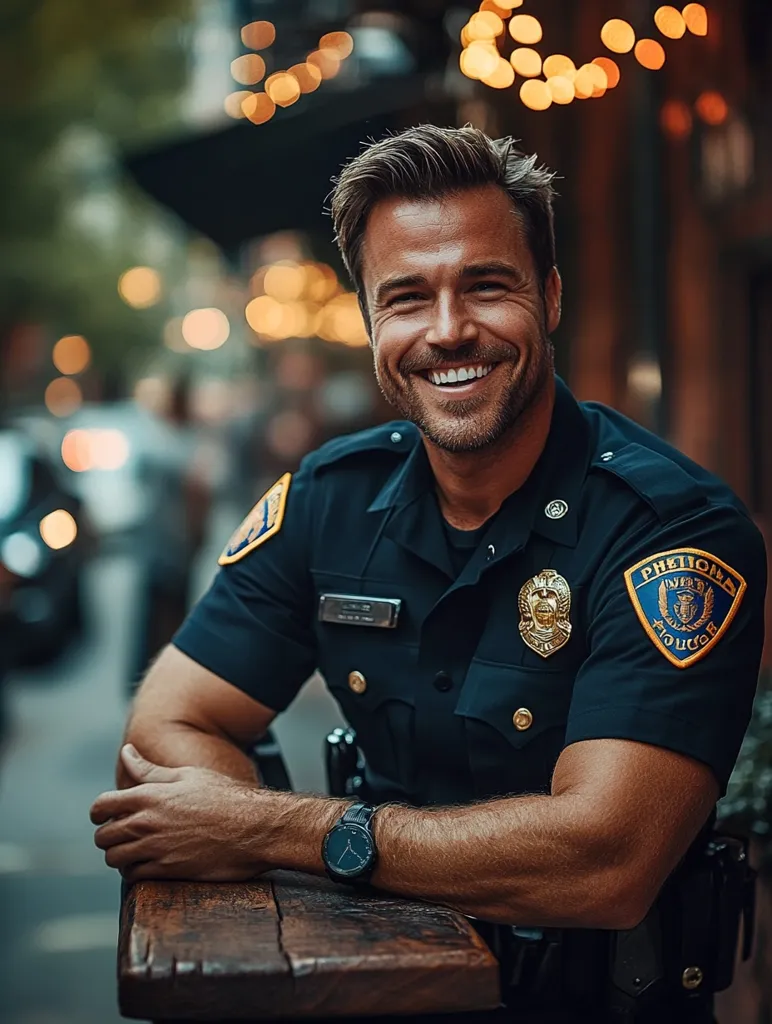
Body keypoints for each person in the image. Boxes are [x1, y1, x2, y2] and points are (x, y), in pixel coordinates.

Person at [90, 126, 766, 1023]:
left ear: (550, 296)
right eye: (406, 298)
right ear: (371, 322)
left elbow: (606, 861)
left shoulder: (669, 531)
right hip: (371, 994)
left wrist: (268, 828)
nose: (448, 331)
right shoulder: (328, 500)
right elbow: (166, 725)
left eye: (486, 285)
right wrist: (240, 825)